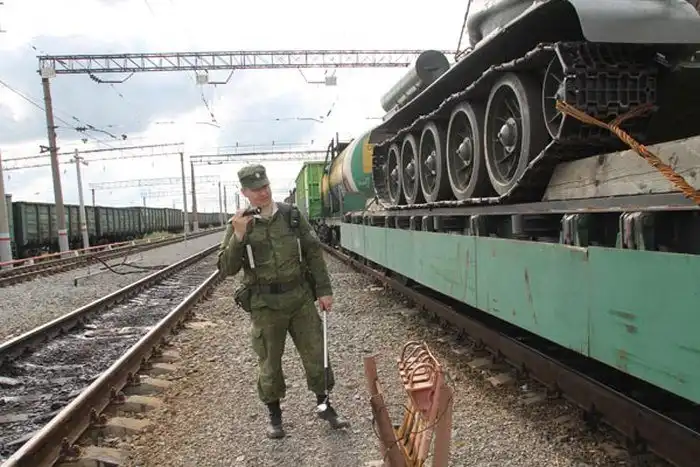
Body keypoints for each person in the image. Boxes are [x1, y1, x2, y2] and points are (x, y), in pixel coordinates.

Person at [218, 163, 349, 439]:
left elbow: (313, 253)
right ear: (244, 193)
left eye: (265, 186)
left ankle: (325, 406)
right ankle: (275, 417)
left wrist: (324, 290)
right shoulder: (239, 224)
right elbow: (226, 268)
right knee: (269, 362)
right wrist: (239, 235)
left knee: (317, 354)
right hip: (265, 304)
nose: (263, 193)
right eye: (256, 189)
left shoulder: (291, 215)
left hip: (300, 298)